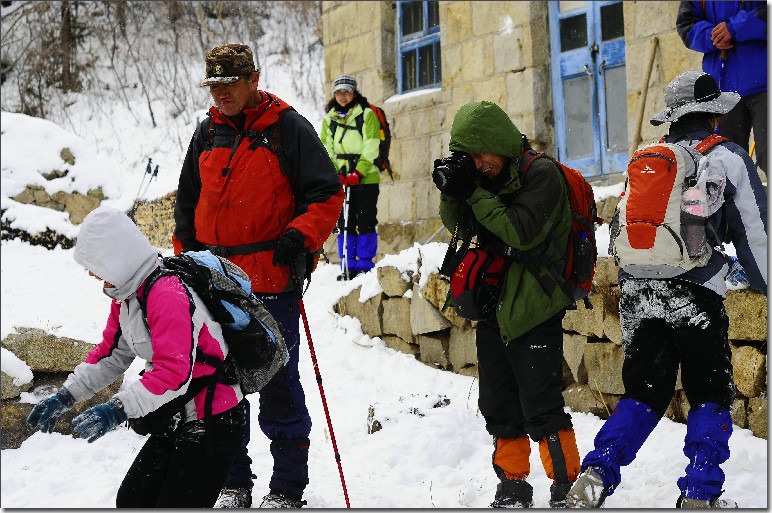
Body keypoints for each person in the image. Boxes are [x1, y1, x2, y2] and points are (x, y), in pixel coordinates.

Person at [566, 71, 768, 509]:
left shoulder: (647, 158)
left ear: (672, 119)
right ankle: (700, 494)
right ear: (714, 114)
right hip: (694, 294)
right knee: (710, 392)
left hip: (638, 291)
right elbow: (756, 233)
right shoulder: (728, 156)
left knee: (643, 393)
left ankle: (595, 476)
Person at [173, 44, 344, 508]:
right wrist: (186, 263)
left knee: (277, 381)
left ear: (253, 78)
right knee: (218, 384)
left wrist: (301, 236)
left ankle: (287, 488)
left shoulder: (288, 128)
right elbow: (186, 207)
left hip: (270, 282)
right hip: (213, 283)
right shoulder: (206, 133)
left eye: (230, 83)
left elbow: (327, 193)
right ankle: (233, 482)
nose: (222, 93)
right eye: (214, 85)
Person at [26, 205, 248, 508]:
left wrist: (118, 409)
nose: (91, 273)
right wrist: (66, 396)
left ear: (116, 258)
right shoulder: (127, 295)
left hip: (213, 417)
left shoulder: (167, 294)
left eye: (95, 264)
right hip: (173, 413)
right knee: (132, 501)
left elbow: (174, 372)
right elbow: (111, 355)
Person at [433, 101, 582, 508]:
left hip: (535, 300)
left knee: (541, 402)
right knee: (498, 401)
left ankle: (566, 483)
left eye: (484, 154)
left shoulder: (542, 174)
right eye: (471, 157)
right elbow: (462, 226)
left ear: (500, 143)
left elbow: (520, 231)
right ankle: (513, 483)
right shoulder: (485, 178)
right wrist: (454, 191)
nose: (480, 164)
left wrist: (476, 192)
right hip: (494, 302)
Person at [677, 1, 767, 174]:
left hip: (764, 82)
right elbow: (686, 24)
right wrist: (711, 36)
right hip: (722, 87)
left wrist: (735, 28)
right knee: (726, 165)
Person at [320, 74, 381, 280]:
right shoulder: (330, 120)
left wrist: (360, 171)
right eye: (339, 92)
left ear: (354, 93)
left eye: (346, 91)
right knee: (345, 221)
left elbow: (372, 145)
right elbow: (325, 148)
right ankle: (347, 264)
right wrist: (335, 172)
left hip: (366, 177)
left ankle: (364, 263)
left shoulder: (367, 115)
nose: (342, 96)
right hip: (341, 178)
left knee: (365, 219)